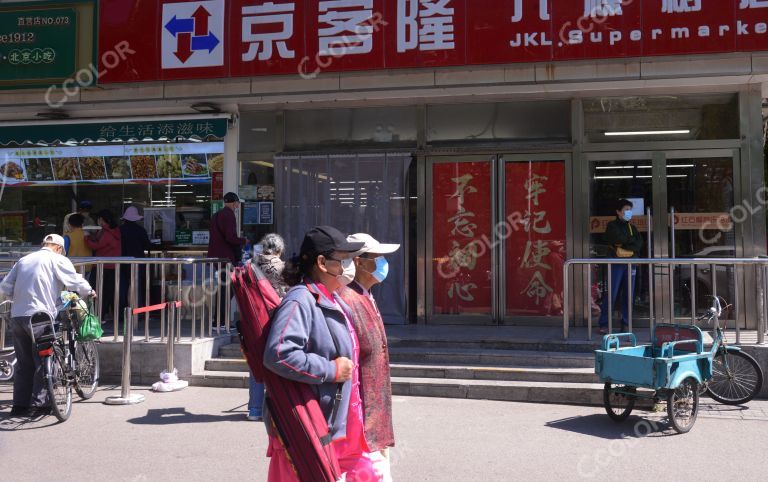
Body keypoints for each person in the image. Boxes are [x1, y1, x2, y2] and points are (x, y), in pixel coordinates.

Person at [263, 226, 377, 482]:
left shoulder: (331, 297)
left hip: (337, 425)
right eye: (343, 259)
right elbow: (279, 353)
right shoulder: (300, 299)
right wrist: (331, 370)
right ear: (322, 262)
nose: (349, 265)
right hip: (312, 426)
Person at [0, 234, 95, 417]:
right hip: (41, 317)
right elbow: (74, 281)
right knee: (42, 361)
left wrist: (19, 299)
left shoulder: (24, 260)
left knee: (24, 363)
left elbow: (5, 287)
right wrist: (89, 291)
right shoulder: (58, 259)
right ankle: (40, 406)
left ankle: (19, 406)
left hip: (18, 315)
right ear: (59, 248)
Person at [337, 233, 400, 481]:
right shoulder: (347, 298)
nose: (383, 262)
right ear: (359, 262)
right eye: (377, 257)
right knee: (365, 469)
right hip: (361, 412)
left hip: (373, 408)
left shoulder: (363, 294)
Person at [247, 233, 289, 422]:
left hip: (254, 318)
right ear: (279, 250)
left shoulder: (250, 265)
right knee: (278, 361)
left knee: (256, 364)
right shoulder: (282, 267)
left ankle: (255, 409)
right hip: (277, 319)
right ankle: (277, 408)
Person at [598, 199, 644, 334]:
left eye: (630, 210)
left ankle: (626, 323)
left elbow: (639, 243)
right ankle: (604, 323)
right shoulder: (612, 226)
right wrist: (628, 242)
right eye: (625, 210)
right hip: (616, 263)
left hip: (630, 264)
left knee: (629, 295)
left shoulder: (632, 227)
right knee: (611, 294)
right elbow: (617, 239)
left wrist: (625, 243)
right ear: (618, 212)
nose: (628, 212)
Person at [208, 192, 247, 324]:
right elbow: (230, 238)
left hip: (216, 258)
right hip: (226, 259)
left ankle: (218, 320)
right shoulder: (229, 215)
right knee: (227, 291)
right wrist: (243, 240)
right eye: (237, 203)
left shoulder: (216, 215)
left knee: (223, 290)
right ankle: (221, 321)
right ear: (233, 202)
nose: (237, 206)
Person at [86, 209, 121, 321]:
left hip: (103, 267)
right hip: (112, 266)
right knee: (108, 292)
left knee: (98, 291)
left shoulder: (106, 233)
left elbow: (95, 245)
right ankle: (105, 315)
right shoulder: (114, 231)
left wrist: (85, 238)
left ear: (101, 219)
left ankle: (99, 316)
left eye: (98, 218)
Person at [119, 206, 151, 310]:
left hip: (121, 261)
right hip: (137, 261)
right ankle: (137, 309)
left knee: (122, 287)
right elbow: (147, 246)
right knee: (136, 287)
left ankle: (121, 309)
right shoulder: (140, 230)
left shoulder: (120, 230)